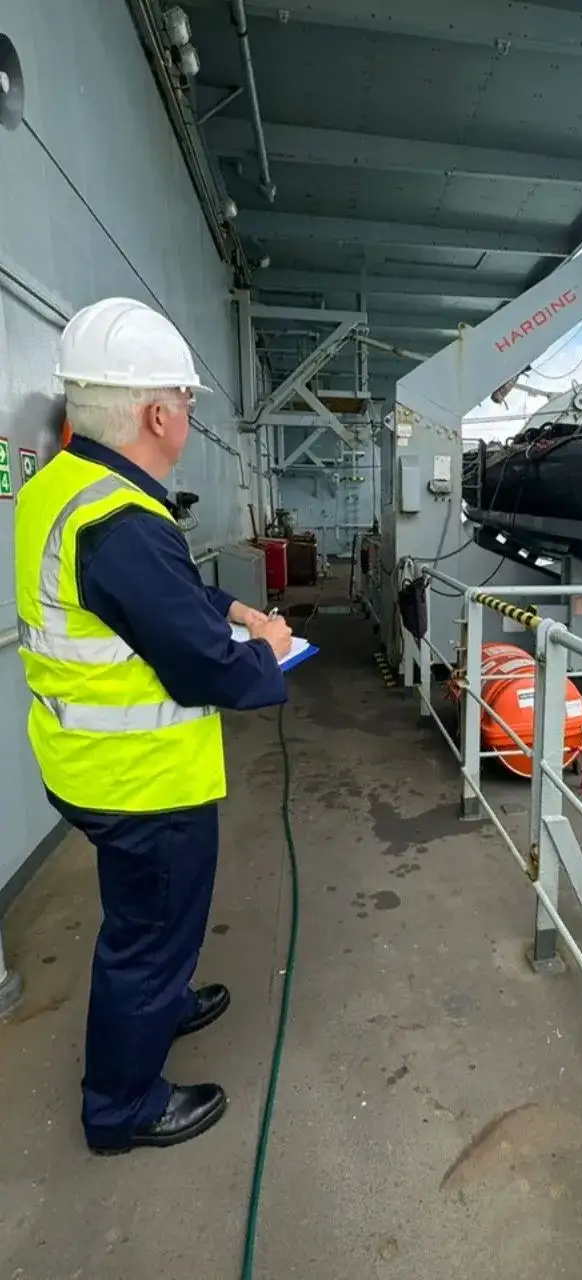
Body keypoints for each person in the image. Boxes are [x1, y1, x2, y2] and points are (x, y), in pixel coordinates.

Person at [14, 297, 293, 1155]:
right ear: (157, 414)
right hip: (141, 782)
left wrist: (232, 603)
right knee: (146, 934)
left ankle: (163, 1003)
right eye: (187, 404)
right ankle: (122, 1108)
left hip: (85, 765)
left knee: (143, 922)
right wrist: (271, 651)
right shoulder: (126, 521)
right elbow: (205, 665)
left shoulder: (65, 487)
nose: (189, 418)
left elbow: (157, 599)